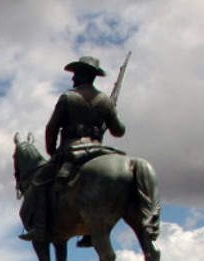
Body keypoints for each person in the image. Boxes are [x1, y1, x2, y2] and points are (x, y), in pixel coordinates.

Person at [19, 56, 126, 244]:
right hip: (100, 150)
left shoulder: (68, 97)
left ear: (84, 75)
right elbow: (119, 131)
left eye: (76, 74)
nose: (73, 78)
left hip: (72, 150)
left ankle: (40, 228)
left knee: (38, 183)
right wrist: (110, 111)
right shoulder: (104, 101)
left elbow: (51, 128)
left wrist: (52, 152)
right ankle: (91, 232)